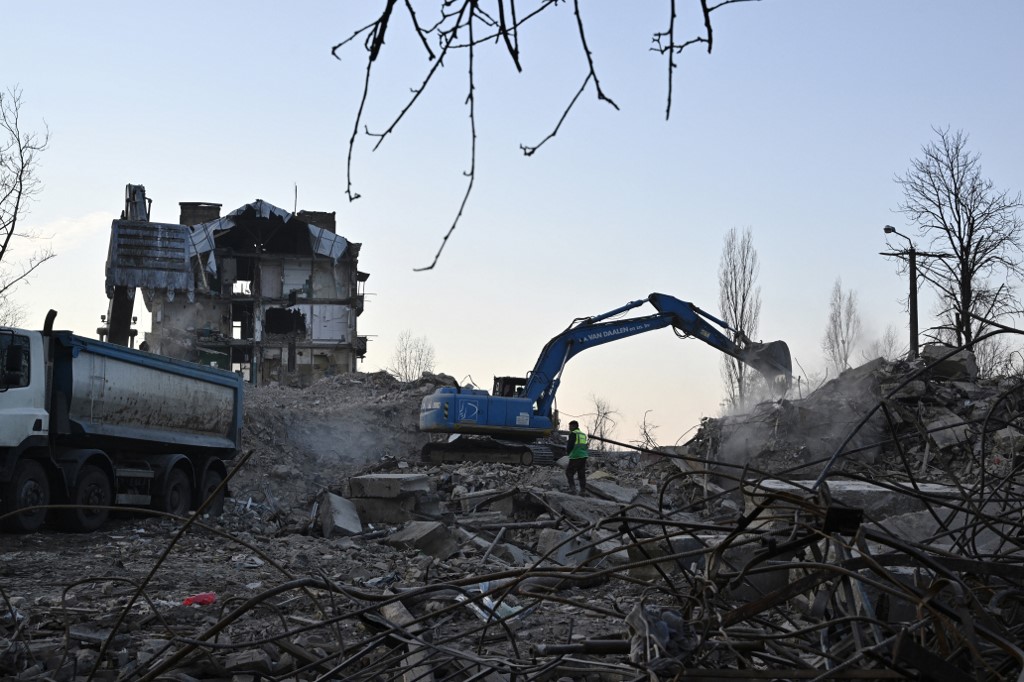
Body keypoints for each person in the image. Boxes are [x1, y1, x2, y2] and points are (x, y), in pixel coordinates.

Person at [565, 420, 589, 494]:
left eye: (570, 426)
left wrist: (568, 453)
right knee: (581, 474)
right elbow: (585, 445)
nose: (569, 428)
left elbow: (570, 445)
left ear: (574, 426)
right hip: (583, 456)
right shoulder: (583, 434)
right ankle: (583, 491)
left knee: (569, 472)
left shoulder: (573, 434)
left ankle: (573, 489)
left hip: (576, 456)